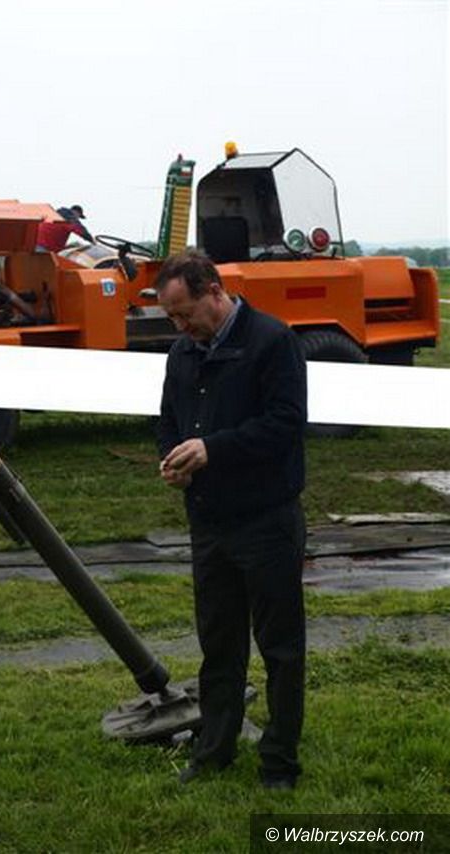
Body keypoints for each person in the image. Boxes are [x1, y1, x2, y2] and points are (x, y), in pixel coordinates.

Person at [155, 250, 307, 789]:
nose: (181, 326)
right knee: (219, 646)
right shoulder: (182, 353)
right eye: (172, 317)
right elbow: (169, 420)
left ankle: (279, 763)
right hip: (210, 523)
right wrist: (173, 459)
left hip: (267, 521)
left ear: (215, 292)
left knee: (280, 649)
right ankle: (213, 751)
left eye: (185, 313)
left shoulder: (272, 340)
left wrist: (211, 449)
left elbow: (286, 423)